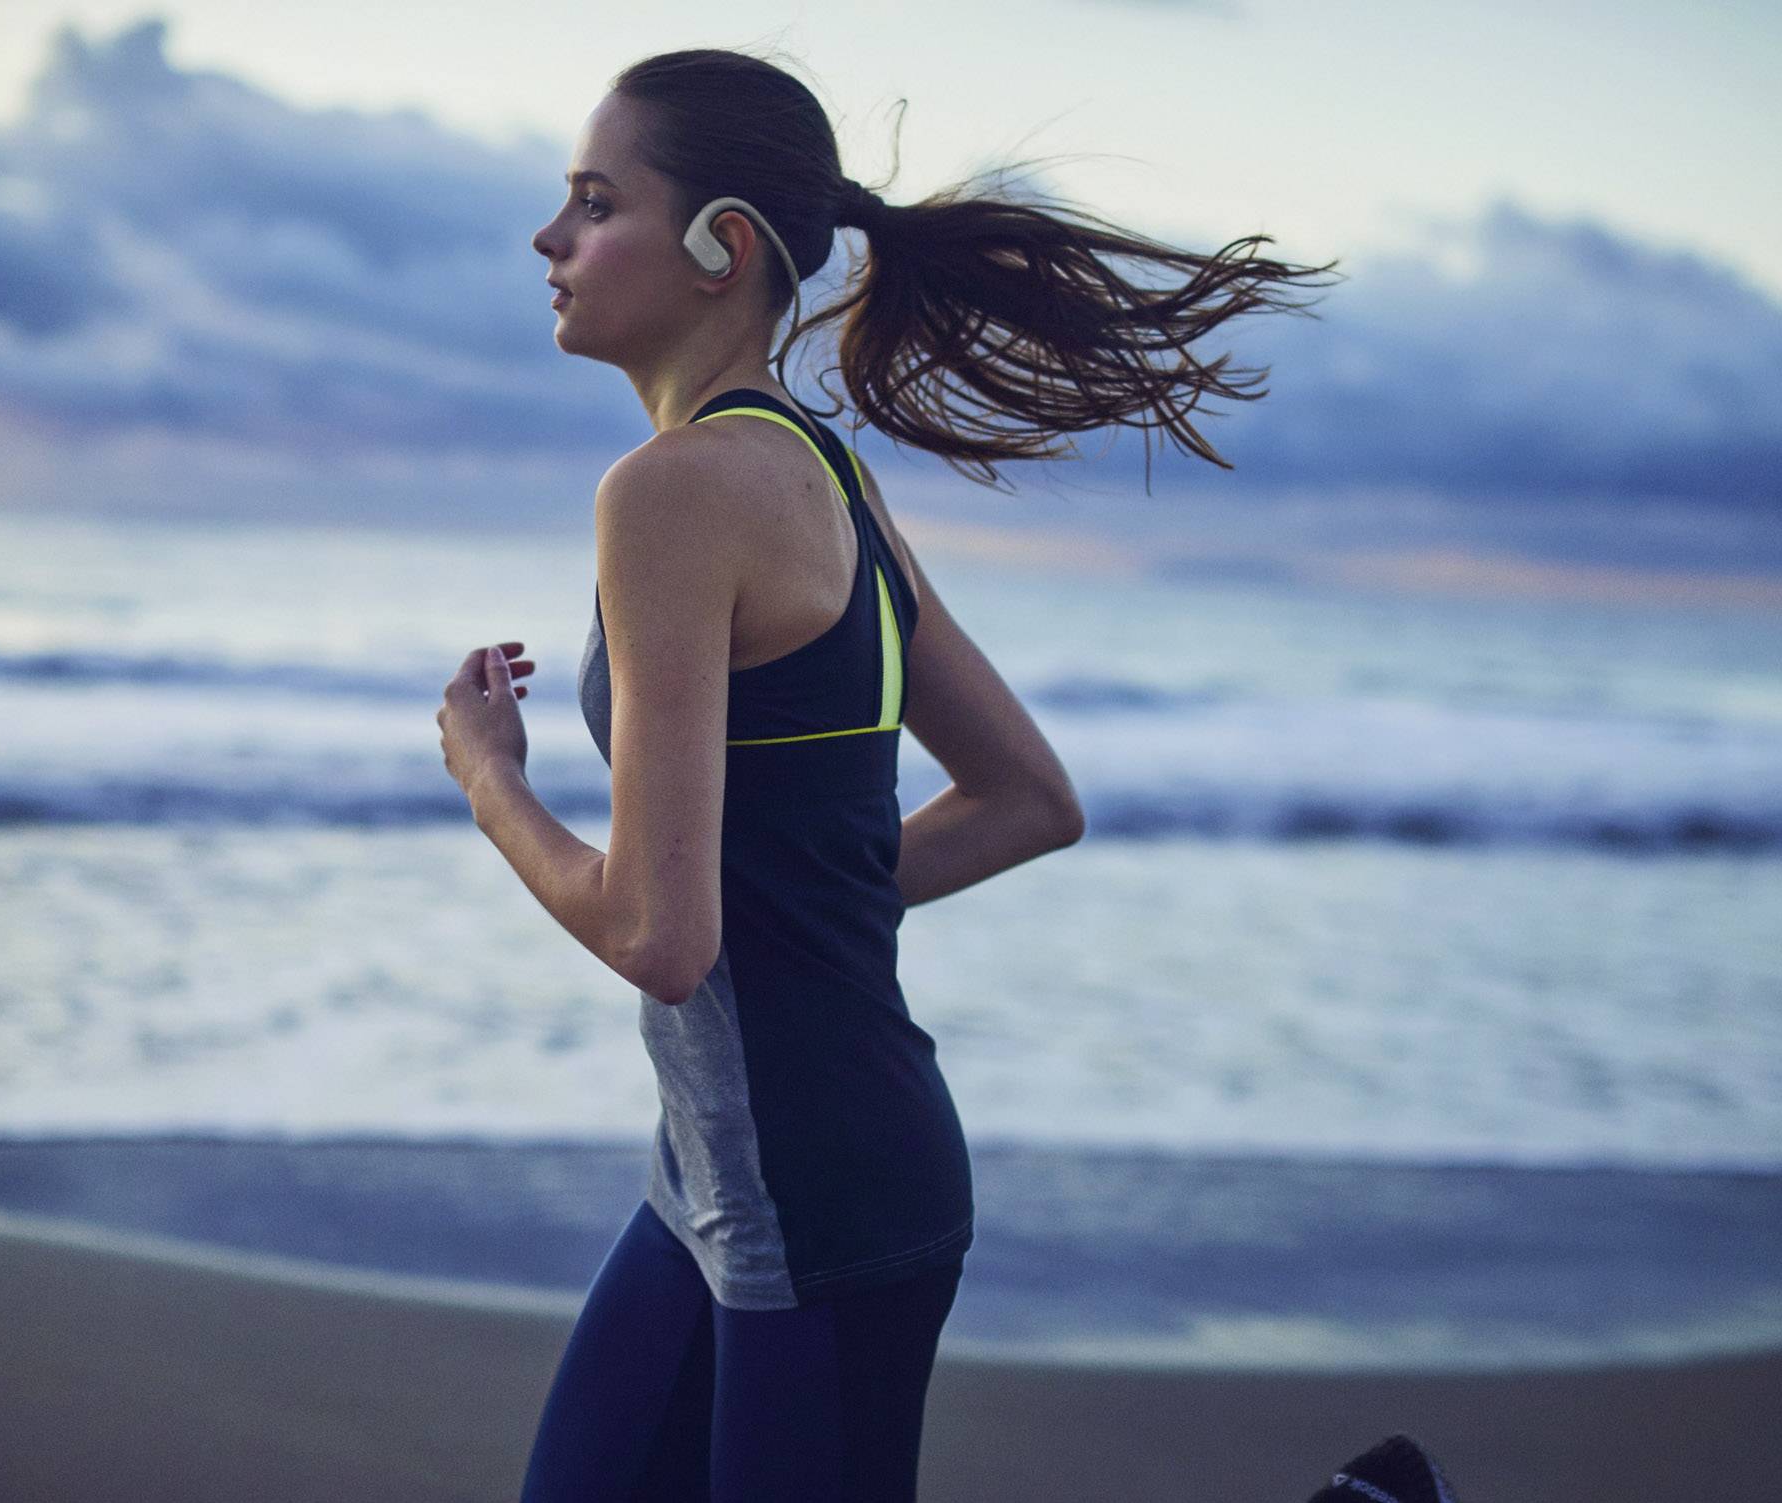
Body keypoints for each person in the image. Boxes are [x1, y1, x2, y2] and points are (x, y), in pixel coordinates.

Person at [434, 44, 1341, 1503]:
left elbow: (662, 943)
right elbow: (1028, 797)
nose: (551, 240)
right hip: (723, 1179)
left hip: (820, 1199)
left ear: (723, 244)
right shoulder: (827, 478)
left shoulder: (668, 495)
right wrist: (805, 906)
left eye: (594, 204)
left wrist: (489, 779)